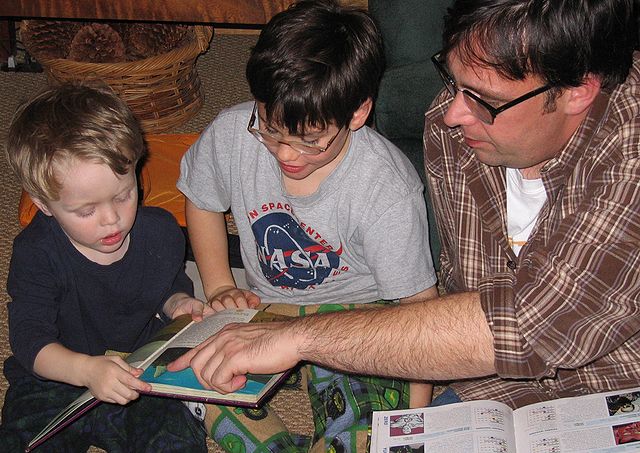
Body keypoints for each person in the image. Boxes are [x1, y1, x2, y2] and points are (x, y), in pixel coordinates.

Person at [169, 0, 640, 416]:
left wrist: (298, 337)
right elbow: (457, 297)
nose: (450, 113)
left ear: (579, 90)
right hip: (484, 386)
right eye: (453, 82)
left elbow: (527, 325)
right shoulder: (451, 128)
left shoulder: (629, 156)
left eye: (485, 100)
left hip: (615, 384)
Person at [176, 0, 438, 450]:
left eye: (310, 141)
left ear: (357, 113)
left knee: (365, 419)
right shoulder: (229, 133)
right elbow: (200, 201)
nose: (285, 155)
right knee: (195, 375)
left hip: (354, 318)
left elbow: (418, 310)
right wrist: (219, 286)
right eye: (270, 130)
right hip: (264, 309)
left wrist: (410, 421)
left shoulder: (386, 188)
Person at [0, 83, 211, 452]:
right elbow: (30, 342)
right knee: (23, 439)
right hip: (56, 380)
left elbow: (166, 285)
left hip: (140, 373)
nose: (112, 219)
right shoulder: (35, 253)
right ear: (44, 204)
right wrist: (86, 370)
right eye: (86, 211)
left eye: (123, 195)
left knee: (175, 439)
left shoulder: (161, 232)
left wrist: (178, 304)